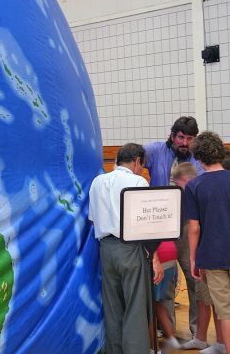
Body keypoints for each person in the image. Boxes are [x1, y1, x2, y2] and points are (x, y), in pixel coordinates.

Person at [89, 143, 163, 354]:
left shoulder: (97, 182)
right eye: (143, 165)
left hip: (105, 248)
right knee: (136, 306)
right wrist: (154, 257)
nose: (143, 170)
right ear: (137, 161)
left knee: (113, 307)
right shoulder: (138, 181)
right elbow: (145, 224)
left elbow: (93, 219)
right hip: (130, 247)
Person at [145, 116, 203, 335]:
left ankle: (197, 332)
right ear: (172, 136)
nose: (185, 142)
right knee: (165, 280)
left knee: (194, 278)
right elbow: (130, 159)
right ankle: (166, 331)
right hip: (161, 227)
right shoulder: (156, 151)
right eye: (181, 137)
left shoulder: (198, 159)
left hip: (189, 225)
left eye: (189, 138)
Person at [172, 163, 225, 353]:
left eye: (181, 185)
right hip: (201, 250)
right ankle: (200, 338)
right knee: (202, 297)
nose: (180, 189)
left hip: (209, 252)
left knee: (216, 299)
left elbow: (196, 227)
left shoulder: (200, 190)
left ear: (188, 180)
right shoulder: (188, 191)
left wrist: (195, 258)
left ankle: (221, 342)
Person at [185, 131, 230, 354]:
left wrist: (193, 258)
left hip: (212, 255)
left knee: (225, 310)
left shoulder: (194, 186)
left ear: (199, 158)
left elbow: (194, 227)